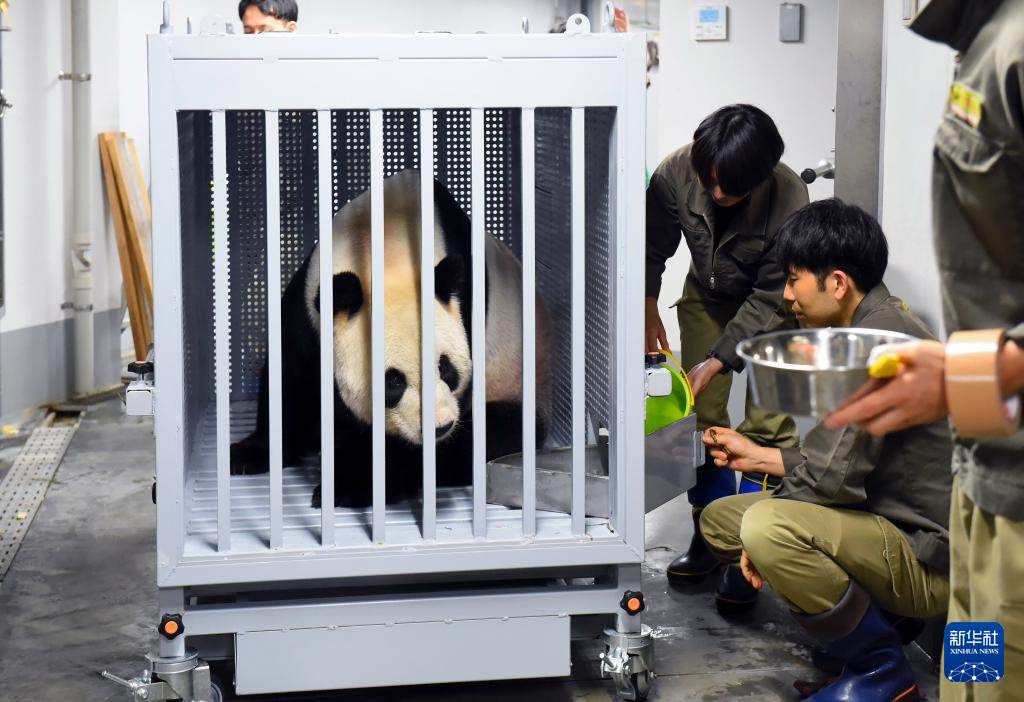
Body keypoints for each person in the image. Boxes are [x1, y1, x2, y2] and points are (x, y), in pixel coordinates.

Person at [826, 1, 1024, 699]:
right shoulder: (983, 44)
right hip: (984, 478)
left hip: (1019, 498)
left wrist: (969, 371)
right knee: (971, 671)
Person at [700, 199, 952, 701]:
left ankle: (881, 671)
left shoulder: (879, 346)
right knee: (721, 518)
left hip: (931, 559)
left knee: (766, 528)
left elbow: (831, 480)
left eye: (794, 280)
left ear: (836, 283)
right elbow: (839, 460)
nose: (787, 295)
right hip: (886, 520)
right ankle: (869, 630)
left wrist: (764, 542)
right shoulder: (874, 325)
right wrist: (758, 456)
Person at [645, 104, 807, 602]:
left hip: (773, 311)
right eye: (708, 181)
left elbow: (770, 294)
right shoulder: (675, 171)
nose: (716, 194)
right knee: (700, 418)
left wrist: (717, 359)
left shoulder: (790, 197)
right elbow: (650, 248)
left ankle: (750, 551)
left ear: (760, 178)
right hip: (707, 299)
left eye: (730, 188)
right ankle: (710, 538)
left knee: (768, 427)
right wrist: (647, 307)